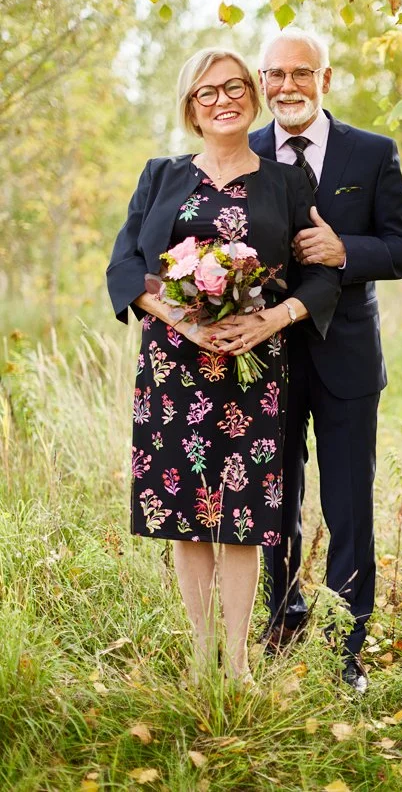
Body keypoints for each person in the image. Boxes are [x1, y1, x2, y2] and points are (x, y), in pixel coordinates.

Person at [106, 48, 340, 685]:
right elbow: (125, 265)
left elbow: (320, 278)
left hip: (253, 370)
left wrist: (270, 319)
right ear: (191, 106)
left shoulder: (288, 182)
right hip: (173, 369)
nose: (223, 100)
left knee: (242, 516)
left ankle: (237, 662)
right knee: (186, 513)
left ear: (253, 96)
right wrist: (180, 318)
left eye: (235, 87)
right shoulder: (160, 175)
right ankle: (202, 651)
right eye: (207, 93)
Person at [246, 29, 402, 692]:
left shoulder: (371, 153)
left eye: (300, 72)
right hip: (265, 361)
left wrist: (343, 250)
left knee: (349, 506)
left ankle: (344, 648)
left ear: (327, 76)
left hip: (347, 361)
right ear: (262, 81)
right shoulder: (246, 152)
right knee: (275, 502)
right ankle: (283, 625)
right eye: (274, 74)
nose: (286, 86)